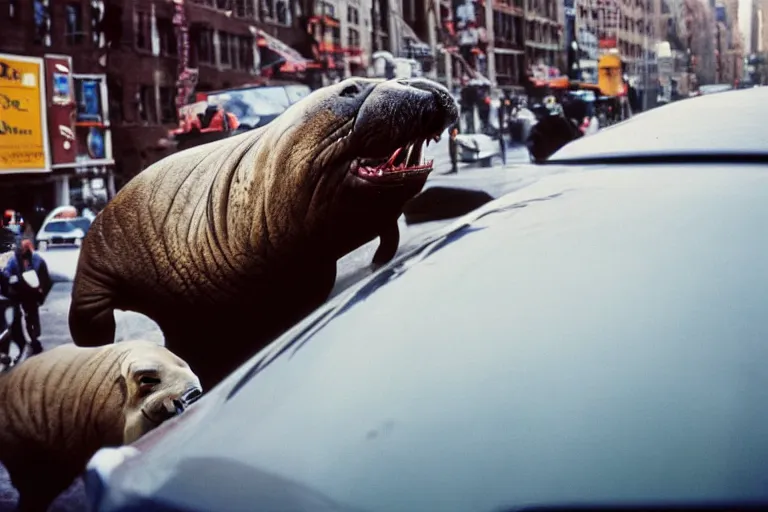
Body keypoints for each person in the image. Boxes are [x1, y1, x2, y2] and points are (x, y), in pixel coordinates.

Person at [3, 239, 53, 357]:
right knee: (20, 317)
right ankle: (27, 338)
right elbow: (7, 273)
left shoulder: (37, 260)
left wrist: (41, 290)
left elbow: (45, 277)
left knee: (32, 316)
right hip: (18, 292)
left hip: (32, 294)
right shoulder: (14, 261)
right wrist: (11, 279)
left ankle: (34, 336)